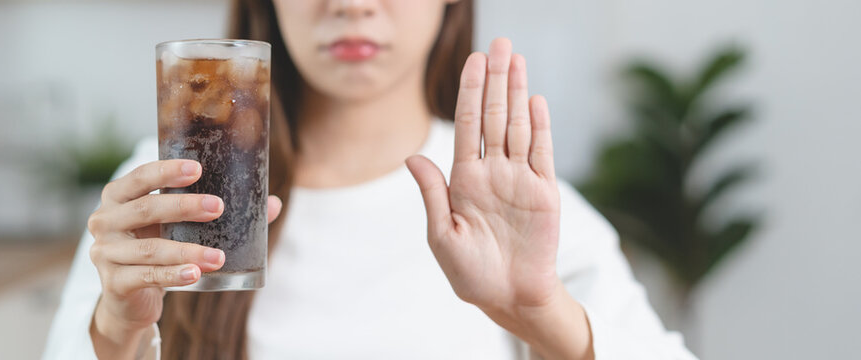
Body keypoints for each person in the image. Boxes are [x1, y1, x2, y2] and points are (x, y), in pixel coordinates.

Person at [44, 0, 697, 359]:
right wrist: (117, 330)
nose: (352, 5)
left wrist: (541, 315)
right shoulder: (168, 192)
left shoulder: (521, 210)